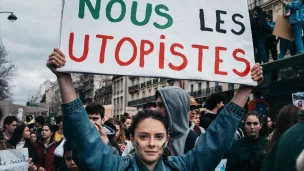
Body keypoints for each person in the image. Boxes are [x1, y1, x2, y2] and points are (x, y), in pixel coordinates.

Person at [46, 48, 263, 170]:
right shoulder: (115, 167)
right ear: (133, 139)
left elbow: (215, 141)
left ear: (166, 140)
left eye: (158, 136)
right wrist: (64, 78)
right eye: (144, 136)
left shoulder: (181, 167)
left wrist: (244, 90)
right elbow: (85, 139)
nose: (151, 143)